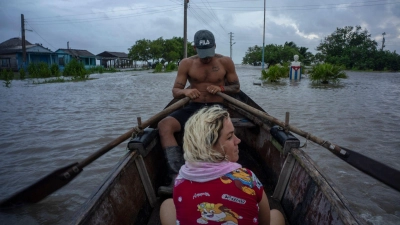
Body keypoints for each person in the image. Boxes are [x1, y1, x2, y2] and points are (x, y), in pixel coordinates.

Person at [159, 106, 285, 225]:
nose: (238, 140)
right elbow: (265, 221)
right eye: (230, 137)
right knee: (276, 215)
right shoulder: (247, 178)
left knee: (167, 205)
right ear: (210, 147)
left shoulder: (180, 180)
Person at [157, 29, 240, 195]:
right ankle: (177, 176)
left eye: (209, 53)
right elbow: (175, 91)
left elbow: (236, 88)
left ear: (215, 46)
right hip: (193, 108)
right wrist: (186, 92)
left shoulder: (225, 62)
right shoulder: (186, 63)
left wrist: (221, 88)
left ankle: (225, 175)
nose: (207, 58)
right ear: (195, 48)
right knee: (164, 125)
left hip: (217, 109)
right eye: (203, 54)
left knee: (214, 131)